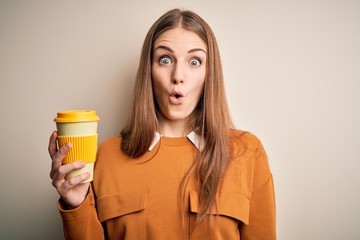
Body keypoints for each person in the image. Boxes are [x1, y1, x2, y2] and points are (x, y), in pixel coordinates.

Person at [48, 8, 276, 240]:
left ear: (210, 73)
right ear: (149, 70)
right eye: (165, 60)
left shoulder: (247, 152)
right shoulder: (107, 156)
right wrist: (76, 203)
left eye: (195, 61)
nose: (178, 75)